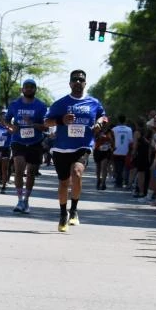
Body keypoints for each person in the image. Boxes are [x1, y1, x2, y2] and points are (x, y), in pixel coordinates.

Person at [45, 69, 107, 232]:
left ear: (85, 83)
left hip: (83, 146)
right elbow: (46, 123)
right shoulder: (61, 103)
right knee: (64, 183)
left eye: (81, 80)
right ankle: (62, 213)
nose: (78, 82)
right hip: (61, 148)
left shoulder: (93, 102)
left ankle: (74, 210)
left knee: (77, 173)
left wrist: (100, 123)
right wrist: (61, 120)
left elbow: (103, 116)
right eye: (75, 80)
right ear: (70, 83)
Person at [6, 78, 49, 213]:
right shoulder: (14, 104)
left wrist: (34, 124)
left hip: (35, 142)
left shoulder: (41, 106)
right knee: (19, 169)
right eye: (26, 87)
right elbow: (6, 120)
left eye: (32, 87)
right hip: (18, 140)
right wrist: (11, 127)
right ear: (22, 89)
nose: (29, 89)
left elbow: (46, 126)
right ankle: (19, 200)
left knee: (31, 173)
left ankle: (26, 201)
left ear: (35, 89)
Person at [111, 114, 134, 188]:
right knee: (125, 167)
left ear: (118, 120)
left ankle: (118, 182)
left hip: (116, 151)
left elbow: (111, 140)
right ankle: (125, 181)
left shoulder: (114, 129)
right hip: (126, 151)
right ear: (125, 120)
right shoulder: (129, 129)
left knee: (118, 167)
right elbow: (131, 141)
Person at [93, 123, 114, 190]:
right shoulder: (97, 130)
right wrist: (98, 136)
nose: (104, 125)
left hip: (106, 151)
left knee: (104, 167)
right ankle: (98, 180)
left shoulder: (110, 131)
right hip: (98, 151)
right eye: (103, 123)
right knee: (98, 167)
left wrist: (112, 147)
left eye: (105, 123)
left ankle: (103, 182)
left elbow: (113, 141)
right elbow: (94, 139)